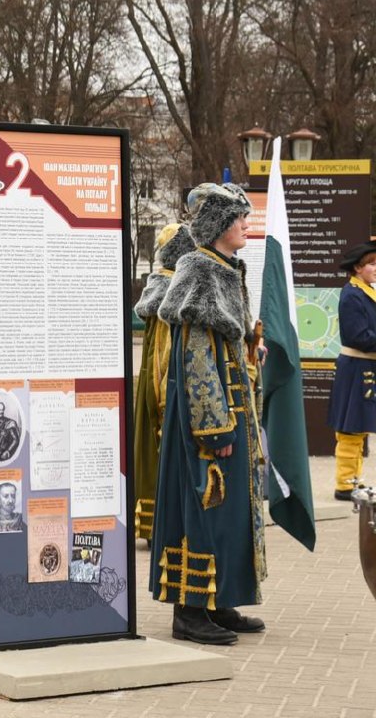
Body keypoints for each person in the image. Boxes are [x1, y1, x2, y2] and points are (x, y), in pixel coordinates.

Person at [151, 182, 266, 645]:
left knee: (230, 510)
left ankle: (220, 600)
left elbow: (227, 347)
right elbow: (197, 357)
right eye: (239, 217)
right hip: (210, 419)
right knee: (202, 508)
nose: (246, 223)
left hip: (233, 411)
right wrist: (213, 424)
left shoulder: (226, 267)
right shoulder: (200, 269)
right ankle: (190, 610)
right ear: (218, 223)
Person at [132, 222, 195, 541]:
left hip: (153, 394)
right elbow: (162, 360)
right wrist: (164, 407)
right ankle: (164, 525)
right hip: (163, 397)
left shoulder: (165, 288)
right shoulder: (172, 295)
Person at [327, 240, 376, 500]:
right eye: (372, 264)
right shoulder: (352, 294)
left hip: (366, 365)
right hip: (356, 366)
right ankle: (345, 484)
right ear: (358, 267)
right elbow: (359, 336)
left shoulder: (366, 290)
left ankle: (354, 480)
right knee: (351, 427)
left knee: (359, 427)